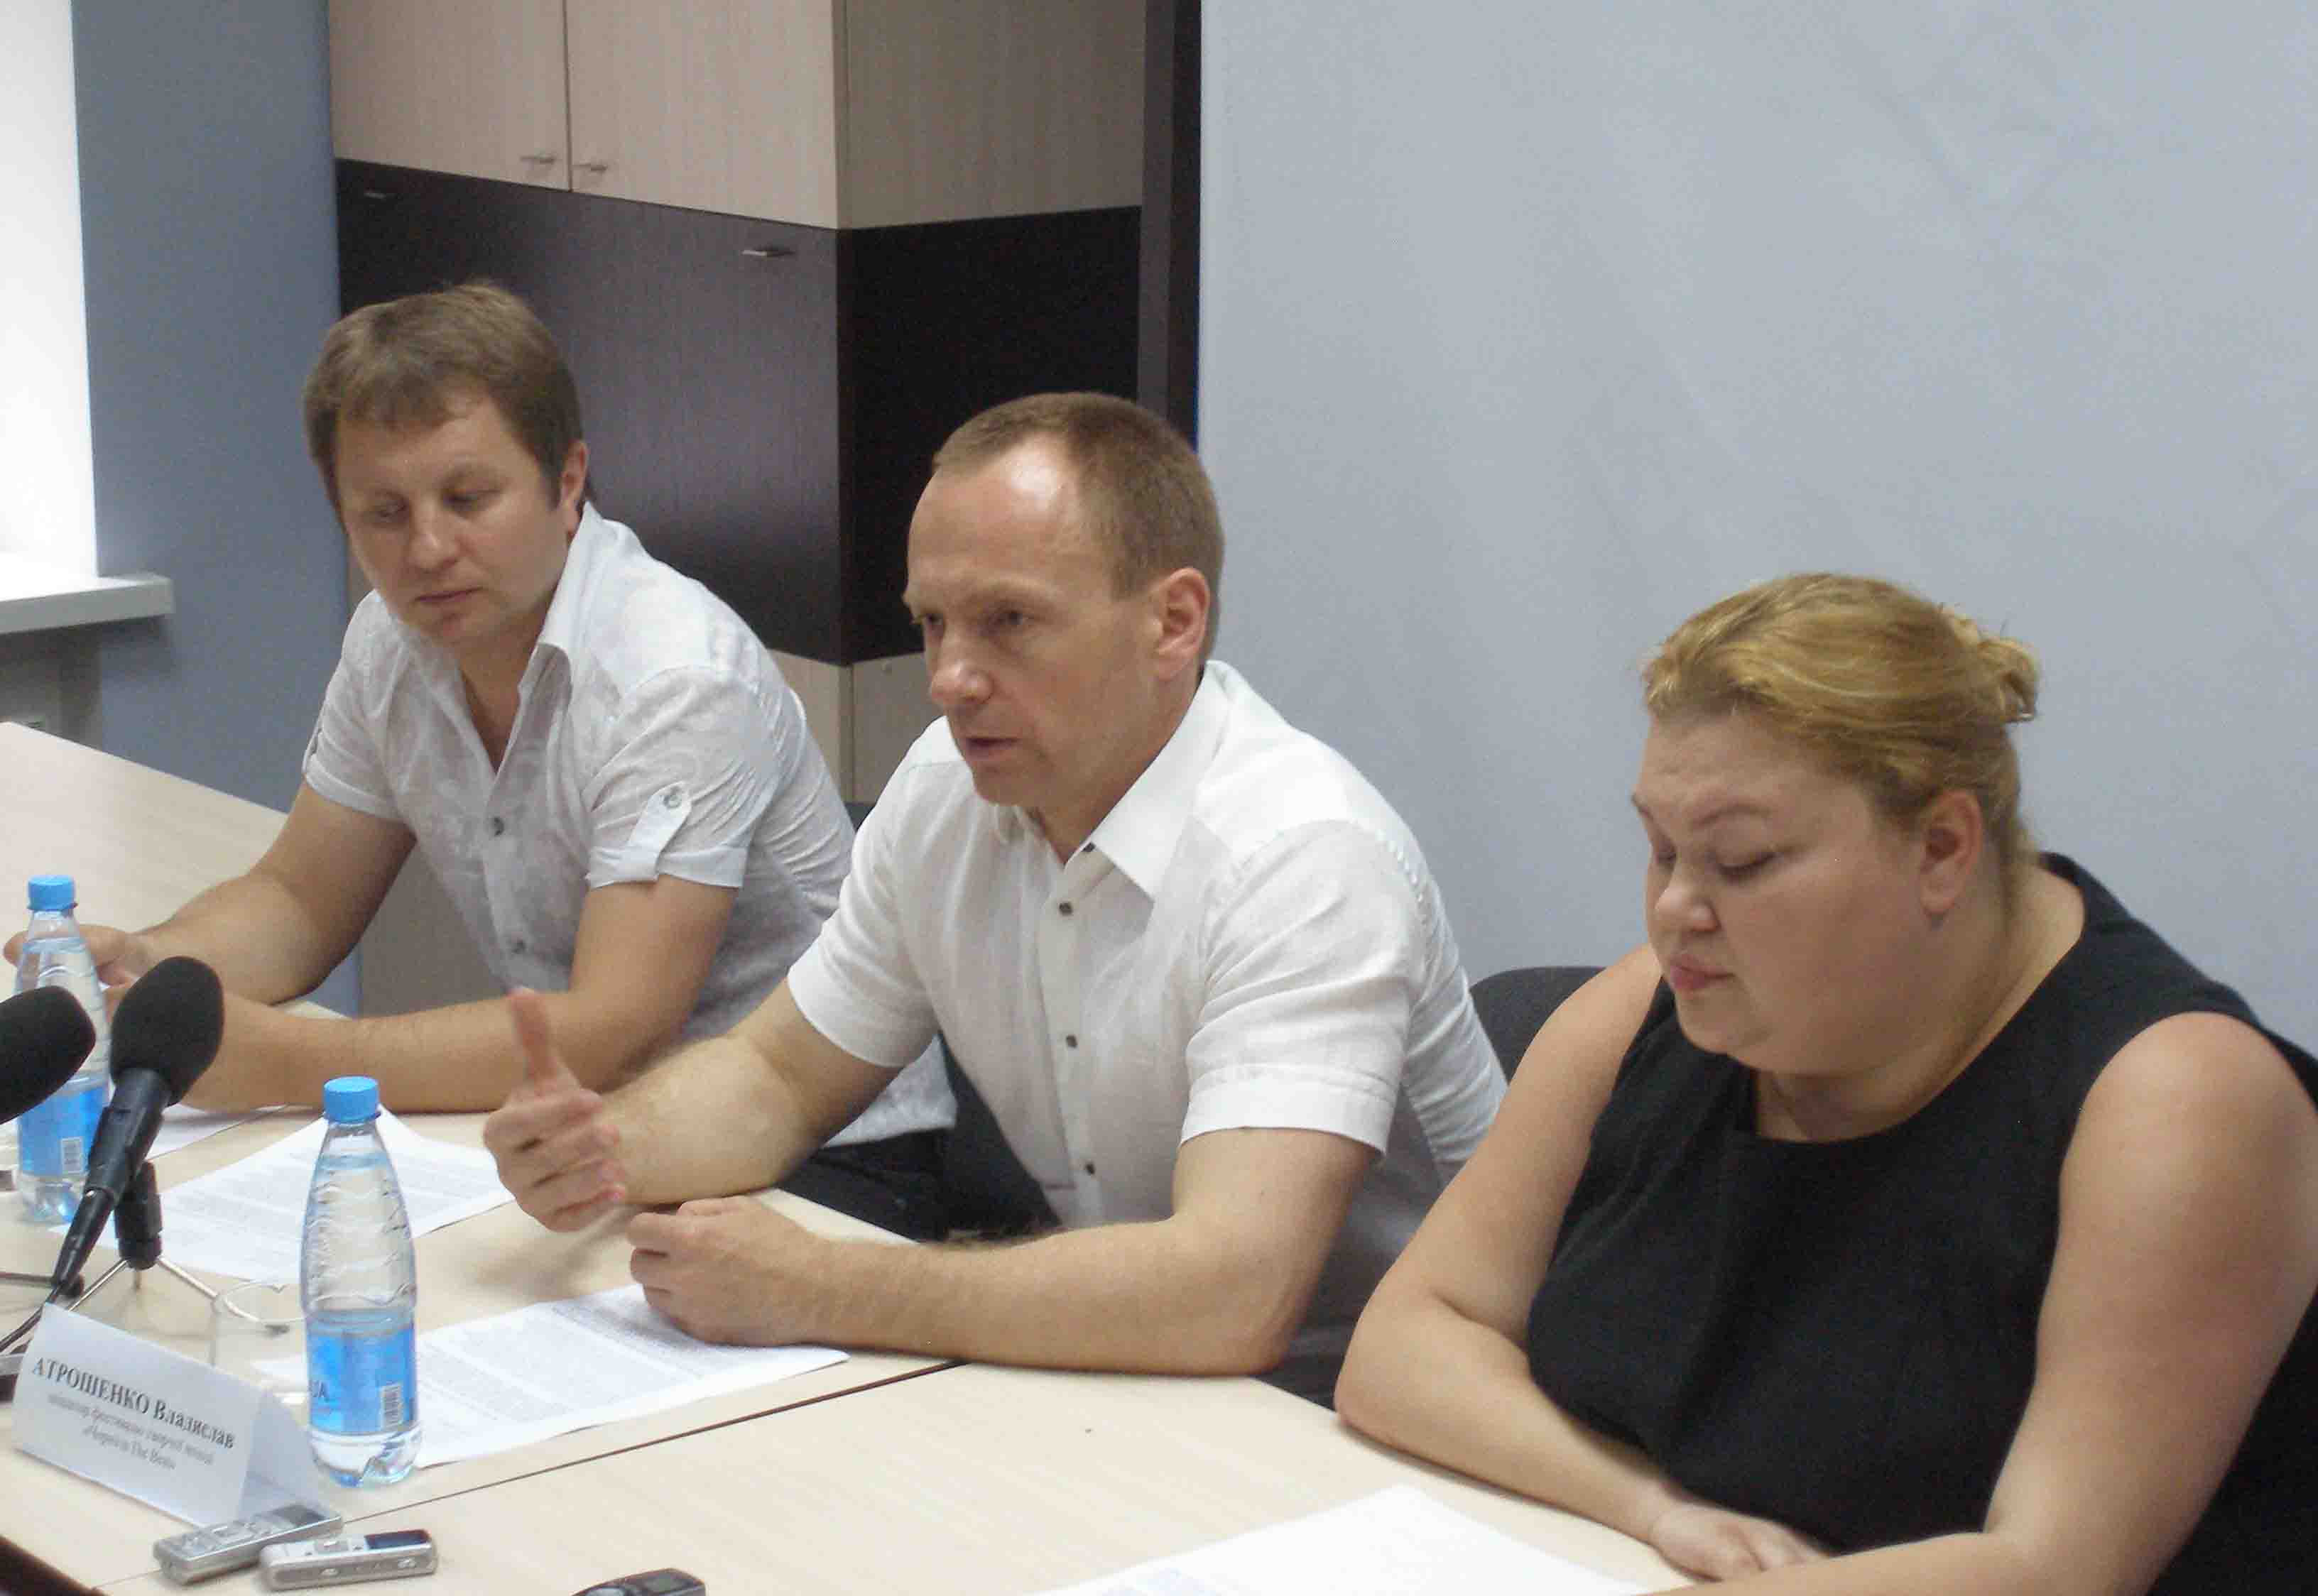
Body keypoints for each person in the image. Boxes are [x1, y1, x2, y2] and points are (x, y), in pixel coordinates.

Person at [483, 391, 1506, 1397]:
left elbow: (1235, 1292)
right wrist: (605, 1149)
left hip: (1371, 1406)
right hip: (1145, 1369)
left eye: (1008, 621)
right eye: (933, 623)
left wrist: (822, 1286)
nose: (949, 678)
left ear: (1173, 623)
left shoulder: (1302, 857)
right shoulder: (946, 789)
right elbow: (778, 1078)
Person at [1336, 572, 2318, 1591]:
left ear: (1942, 848)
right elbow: (1409, 1342)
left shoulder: (2179, 1105)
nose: (1675, 909)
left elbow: (2053, 1570)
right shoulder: (1651, 1008)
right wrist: (1657, 1510)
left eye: (1742, 861)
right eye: (1661, 850)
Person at [6, 283, 954, 1235]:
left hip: (824, 1157)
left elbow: (612, 1028)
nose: (428, 549)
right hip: (599, 1134)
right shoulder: (391, 641)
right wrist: (154, 963)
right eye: (384, 512)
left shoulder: (674, 676)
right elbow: (298, 900)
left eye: (468, 500)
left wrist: (289, 1060)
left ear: (567, 481)